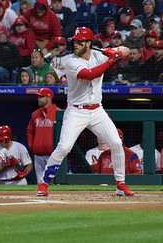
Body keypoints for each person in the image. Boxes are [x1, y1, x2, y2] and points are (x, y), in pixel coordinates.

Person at [36, 27, 134, 197]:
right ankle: (44, 183)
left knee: (117, 143)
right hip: (76, 111)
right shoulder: (69, 61)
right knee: (64, 146)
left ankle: (120, 184)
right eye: (74, 41)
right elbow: (89, 74)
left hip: (97, 110)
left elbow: (127, 50)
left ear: (89, 44)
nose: (75, 44)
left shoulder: (99, 54)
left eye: (80, 42)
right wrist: (111, 60)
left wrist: (115, 52)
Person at [26, 88, 61, 183]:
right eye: (39, 97)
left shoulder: (59, 113)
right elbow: (30, 131)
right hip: (38, 155)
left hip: (53, 155)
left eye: (41, 97)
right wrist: (32, 146)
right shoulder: (35, 114)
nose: (39, 99)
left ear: (49, 98)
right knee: (40, 182)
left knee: (54, 182)